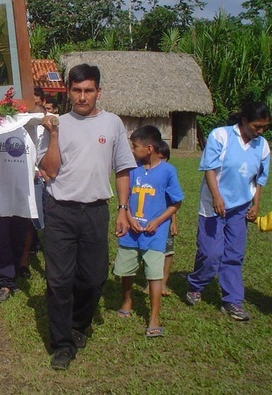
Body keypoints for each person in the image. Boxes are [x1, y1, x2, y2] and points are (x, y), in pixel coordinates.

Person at [39, 63, 135, 370]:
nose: (83, 97)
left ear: (98, 92)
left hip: (96, 211)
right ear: (68, 92)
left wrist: (123, 209)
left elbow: (122, 169)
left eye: (89, 91)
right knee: (58, 280)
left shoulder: (112, 124)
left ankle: (80, 324)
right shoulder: (57, 123)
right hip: (60, 211)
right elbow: (50, 170)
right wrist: (53, 135)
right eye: (77, 91)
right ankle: (62, 343)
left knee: (94, 279)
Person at [186, 102, 270, 321]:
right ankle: (196, 284)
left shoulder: (262, 146)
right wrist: (216, 197)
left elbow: (259, 179)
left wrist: (255, 205)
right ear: (244, 121)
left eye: (264, 128)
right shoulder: (220, 136)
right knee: (211, 252)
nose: (260, 131)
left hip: (240, 207)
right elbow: (210, 169)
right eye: (256, 126)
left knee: (234, 254)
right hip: (214, 204)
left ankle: (232, 300)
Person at [113, 126, 183, 337]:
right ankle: (127, 300)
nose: (132, 150)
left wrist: (159, 221)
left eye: (135, 146)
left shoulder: (168, 172)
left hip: (155, 235)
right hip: (131, 231)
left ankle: (154, 317)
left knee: (154, 275)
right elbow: (124, 197)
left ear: (149, 148)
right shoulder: (131, 168)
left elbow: (176, 202)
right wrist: (129, 217)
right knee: (126, 271)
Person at [0, 123, 39, 304]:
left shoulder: (27, 131)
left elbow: (34, 163)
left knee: (18, 240)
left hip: (21, 199)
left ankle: (10, 275)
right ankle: (4, 281)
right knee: (1, 240)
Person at [155, 140, 178, 297]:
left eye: (165, 158)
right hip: (148, 219)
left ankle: (163, 283)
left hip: (166, 219)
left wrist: (173, 222)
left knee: (168, 252)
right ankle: (150, 282)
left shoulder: (169, 173)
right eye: (159, 158)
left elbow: (173, 201)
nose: (162, 162)